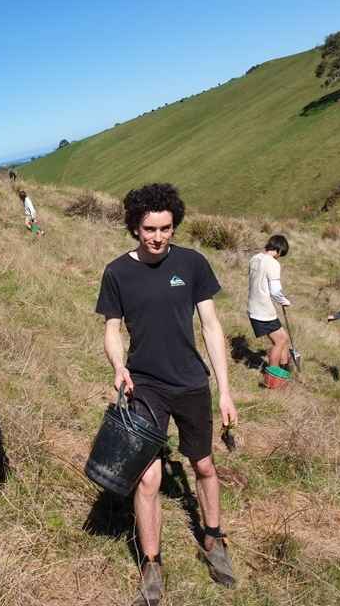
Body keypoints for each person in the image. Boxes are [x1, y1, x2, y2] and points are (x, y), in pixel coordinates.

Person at [95, 183, 238, 602]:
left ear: (174, 225)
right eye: (149, 229)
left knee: (205, 466)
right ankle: (152, 564)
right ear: (134, 228)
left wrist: (225, 390)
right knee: (148, 478)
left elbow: (211, 327)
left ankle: (213, 539)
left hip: (191, 382)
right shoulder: (117, 272)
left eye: (166, 228)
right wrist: (119, 366)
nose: (158, 237)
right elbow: (111, 329)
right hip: (146, 384)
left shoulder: (193, 264)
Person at [247, 235, 292, 371]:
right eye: (280, 254)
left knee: (283, 338)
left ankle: (284, 369)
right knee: (280, 341)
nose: (279, 257)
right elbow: (275, 291)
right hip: (263, 311)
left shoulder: (254, 259)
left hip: (253, 307)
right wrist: (284, 301)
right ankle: (274, 374)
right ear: (278, 250)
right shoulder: (272, 263)